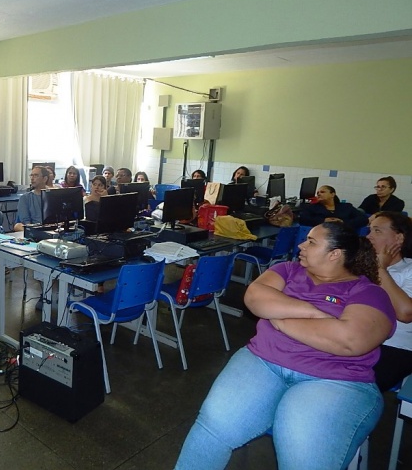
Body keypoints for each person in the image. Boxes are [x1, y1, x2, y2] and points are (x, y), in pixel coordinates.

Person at [175, 222, 396, 470]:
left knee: (303, 460)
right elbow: (255, 297)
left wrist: (279, 318)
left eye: (311, 242)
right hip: (263, 361)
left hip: (334, 379)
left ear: (335, 254)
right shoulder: (288, 269)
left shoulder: (368, 292)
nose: (301, 245)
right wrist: (315, 314)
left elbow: (350, 340)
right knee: (213, 427)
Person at [368, 212, 412, 391]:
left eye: (377, 231)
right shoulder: (361, 267)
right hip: (357, 338)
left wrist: (380, 269)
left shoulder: (409, 269)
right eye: (370, 230)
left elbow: (405, 313)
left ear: (399, 238)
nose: (369, 236)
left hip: (393, 347)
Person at [299, 185, 369, 229]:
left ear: (332, 194)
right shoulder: (312, 207)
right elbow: (303, 219)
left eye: (322, 192)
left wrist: (343, 222)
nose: (319, 194)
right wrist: (323, 221)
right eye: (318, 193)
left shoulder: (346, 207)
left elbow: (363, 219)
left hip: (344, 234)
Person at [13, 166, 50, 231]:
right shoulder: (25, 198)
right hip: (34, 230)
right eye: (31, 175)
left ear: (45, 179)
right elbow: (26, 222)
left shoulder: (52, 196)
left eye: (36, 175)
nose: (32, 178)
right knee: (18, 226)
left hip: (52, 229)